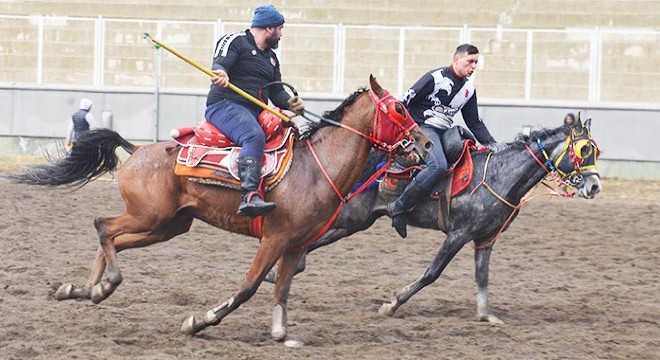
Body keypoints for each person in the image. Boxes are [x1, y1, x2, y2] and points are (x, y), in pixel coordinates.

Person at [389, 43, 503, 238]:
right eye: (470, 61)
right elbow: (405, 101)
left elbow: (474, 122)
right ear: (456, 59)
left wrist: (494, 145)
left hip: (444, 130)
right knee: (439, 166)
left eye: (476, 62)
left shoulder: (468, 90)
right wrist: (402, 131)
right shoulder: (435, 78)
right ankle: (400, 206)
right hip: (422, 128)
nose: (473, 66)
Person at [206, 4, 305, 218]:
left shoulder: (271, 59)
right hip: (224, 104)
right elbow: (219, 64)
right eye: (280, 29)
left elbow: (276, 92)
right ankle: (249, 195)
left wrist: (291, 104)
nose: (281, 34)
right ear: (269, 28)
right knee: (253, 135)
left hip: (253, 111)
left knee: (290, 132)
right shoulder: (235, 41)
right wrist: (221, 73)